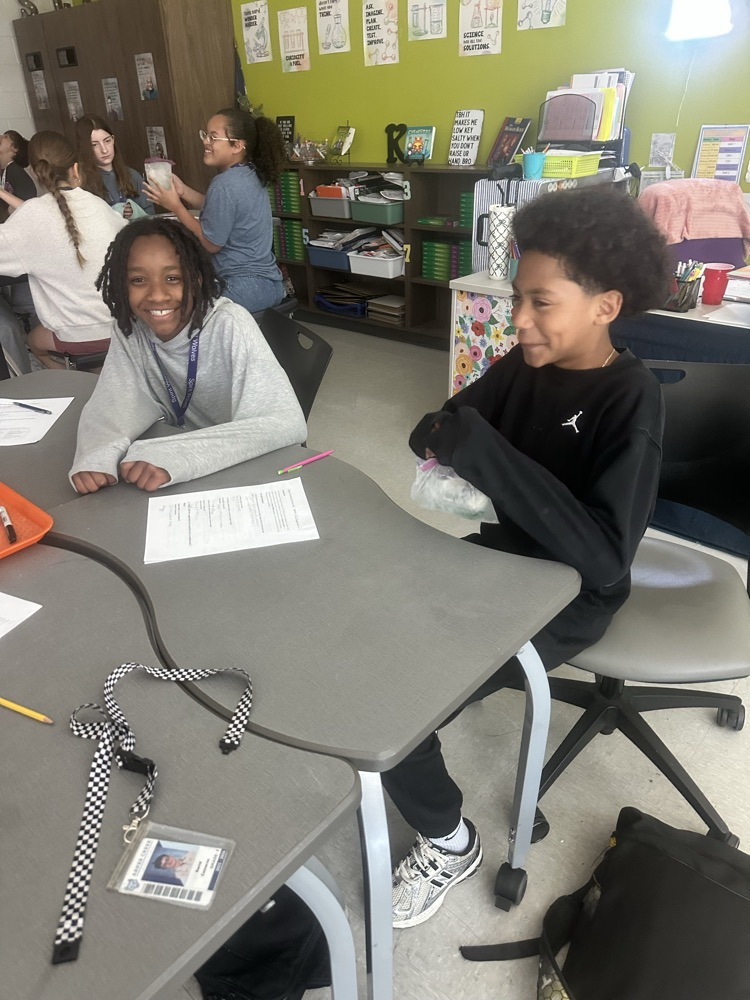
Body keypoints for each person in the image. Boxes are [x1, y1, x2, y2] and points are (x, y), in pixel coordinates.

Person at [384, 187, 671, 928]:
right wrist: (460, 441)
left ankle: (449, 842)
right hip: (501, 557)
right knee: (370, 637)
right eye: (518, 298)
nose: (518, 319)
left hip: (568, 595)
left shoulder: (629, 400)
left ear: (605, 305)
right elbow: (437, 429)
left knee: (396, 708)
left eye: (541, 302)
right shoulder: (524, 363)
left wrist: (483, 453)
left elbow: (605, 558)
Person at [69, 217, 306, 494]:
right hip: (175, 471)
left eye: (172, 278)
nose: (157, 295)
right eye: (138, 280)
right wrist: (97, 453)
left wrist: (177, 454)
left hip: (239, 468)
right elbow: (116, 400)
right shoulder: (130, 328)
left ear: (196, 278)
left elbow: (286, 423)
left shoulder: (230, 324)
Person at [0, 130, 126, 369]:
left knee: (34, 341)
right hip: (120, 325)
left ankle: (73, 382)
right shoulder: (99, 206)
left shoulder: (30, 216)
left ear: (36, 173)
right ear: (75, 169)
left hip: (75, 337)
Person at [143, 108, 286, 314]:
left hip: (242, 286)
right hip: (269, 284)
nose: (206, 142)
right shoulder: (250, 173)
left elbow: (211, 244)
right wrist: (183, 191)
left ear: (237, 145)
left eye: (213, 137)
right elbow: (222, 210)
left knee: (177, 305)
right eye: (205, 135)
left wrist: (176, 206)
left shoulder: (224, 184)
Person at [75, 114, 154, 218]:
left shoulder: (132, 176)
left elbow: (152, 218)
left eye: (107, 141)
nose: (104, 150)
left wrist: (135, 212)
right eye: (94, 145)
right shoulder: (80, 181)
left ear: (113, 139)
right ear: (84, 148)